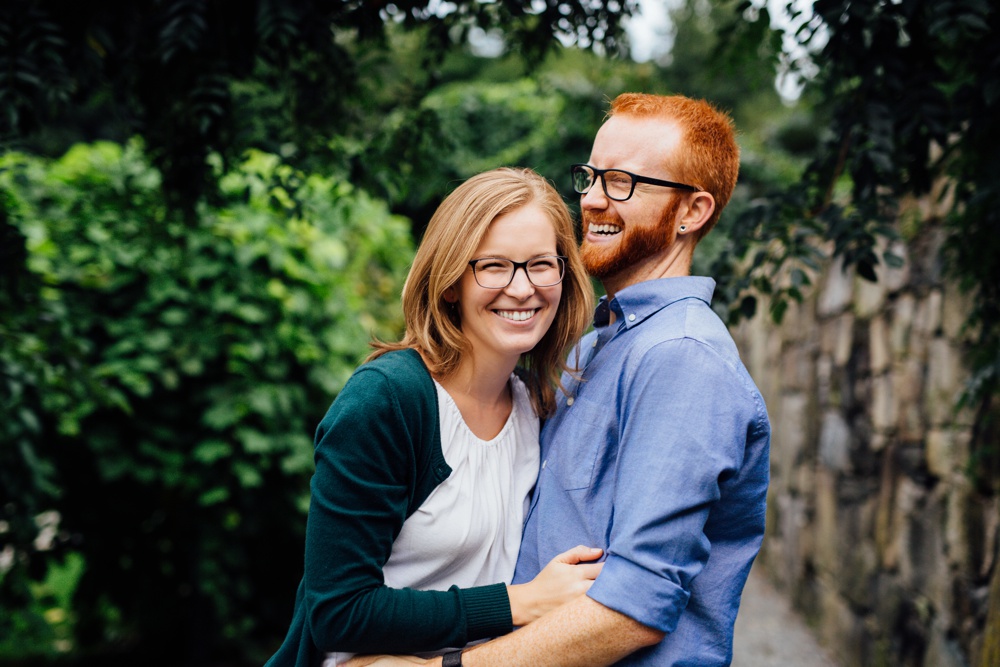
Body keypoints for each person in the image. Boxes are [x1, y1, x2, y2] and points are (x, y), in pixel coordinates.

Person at [344, 93, 771, 667]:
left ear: (691, 212)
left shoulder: (681, 356)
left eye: (622, 182)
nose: (591, 199)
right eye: (591, 177)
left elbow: (635, 606)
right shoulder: (594, 350)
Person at [264, 167, 600, 667]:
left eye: (540, 264)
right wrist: (518, 603)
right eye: (493, 266)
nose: (522, 288)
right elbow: (337, 611)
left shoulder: (537, 406)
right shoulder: (388, 401)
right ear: (449, 284)